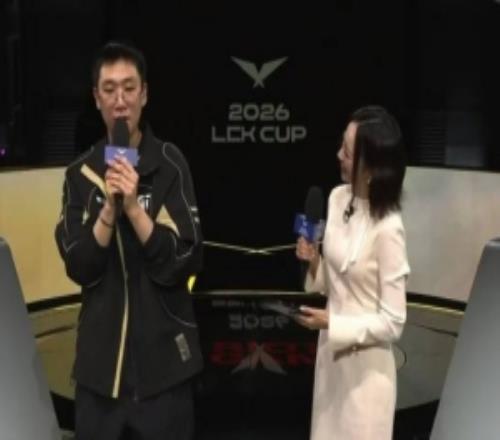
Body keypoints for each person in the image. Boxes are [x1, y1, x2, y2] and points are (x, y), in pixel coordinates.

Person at [55, 41, 203, 439]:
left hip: (165, 370)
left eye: (129, 88)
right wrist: (108, 209)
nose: (120, 101)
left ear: (145, 94)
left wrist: (135, 209)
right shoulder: (80, 175)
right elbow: (78, 265)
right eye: (109, 89)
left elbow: (186, 259)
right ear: (96, 99)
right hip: (100, 373)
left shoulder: (170, 164)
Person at [295, 105, 409, 440]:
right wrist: (314, 261)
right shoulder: (336, 198)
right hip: (330, 367)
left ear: (370, 165)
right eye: (342, 146)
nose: (338, 156)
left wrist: (334, 323)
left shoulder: (389, 228)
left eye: (347, 151)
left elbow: (393, 323)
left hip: (366, 380)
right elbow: (335, 283)